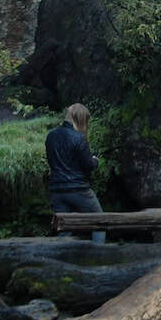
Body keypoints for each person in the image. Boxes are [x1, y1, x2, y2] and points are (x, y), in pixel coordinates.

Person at [46, 103, 105, 243]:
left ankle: (65, 260)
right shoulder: (79, 138)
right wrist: (95, 160)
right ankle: (100, 255)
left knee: (63, 228)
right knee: (101, 221)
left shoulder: (51, 136)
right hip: (78, 190)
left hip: (57, 191)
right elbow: (88, 165)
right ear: (81, 119)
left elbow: (53, 162)